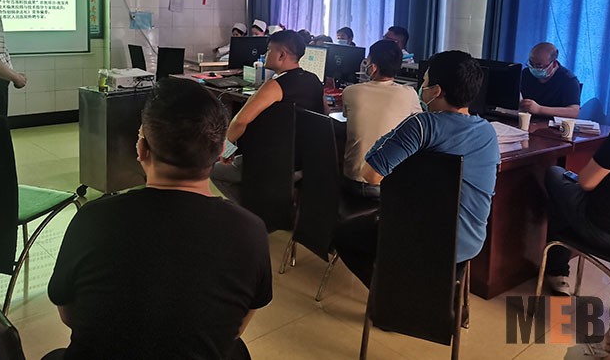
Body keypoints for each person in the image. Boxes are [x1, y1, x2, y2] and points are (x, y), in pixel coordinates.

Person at [48, 78, 272, 360]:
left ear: (141, 149)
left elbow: (68, 314)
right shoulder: (250, 231)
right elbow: (235, 328)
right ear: (218, 154)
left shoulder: (92, 219)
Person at [333, 50, 500, 287]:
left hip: (420, 238)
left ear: (437, 91)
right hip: (470, 241)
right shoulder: (488, 132)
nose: (422, 87)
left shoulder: (422, 126)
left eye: (425, 81)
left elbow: (370, 174)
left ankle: (389, 293)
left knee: (343, 234)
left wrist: (390, 138)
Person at [542, 66, 610, 296]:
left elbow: (587, 182)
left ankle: (557, 269)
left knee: (556, 175)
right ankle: (557, 270)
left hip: (605, 231)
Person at [211, 30, 325, 190]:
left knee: (209, 171)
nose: (265, 54)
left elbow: (240, 120)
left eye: (269, 50)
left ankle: (247, 203)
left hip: (271, 163)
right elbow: (324, 114)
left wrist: (226, 151)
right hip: (303, 162)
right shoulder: (314, 80)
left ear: (282, 55)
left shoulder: (276, 85)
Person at [341, 40, 421, 199]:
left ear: (373, 67)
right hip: (388, 185)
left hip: (352, 182)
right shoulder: (409, 94)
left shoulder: (350, 92)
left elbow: (347, 117)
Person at [520, 42, 581, 118]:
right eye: (531, 64)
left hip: (551, 123)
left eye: (539, 66)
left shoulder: (568, 80)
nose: (533, 68)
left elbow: (574, 112)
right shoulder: (526, 73)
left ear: (554, 63)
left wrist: (539, 109)